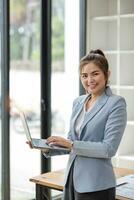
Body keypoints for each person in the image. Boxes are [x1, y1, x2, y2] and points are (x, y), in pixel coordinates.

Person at [28, 49, 127, 200]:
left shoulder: (116, 103)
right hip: (71, 180)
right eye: (84, 76)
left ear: (107, 74)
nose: (89, 80)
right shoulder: (79, 102)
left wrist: (71, 144)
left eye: (95, 74)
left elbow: (108, 148)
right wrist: (48, 147)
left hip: (96, 185)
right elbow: (71, 142)